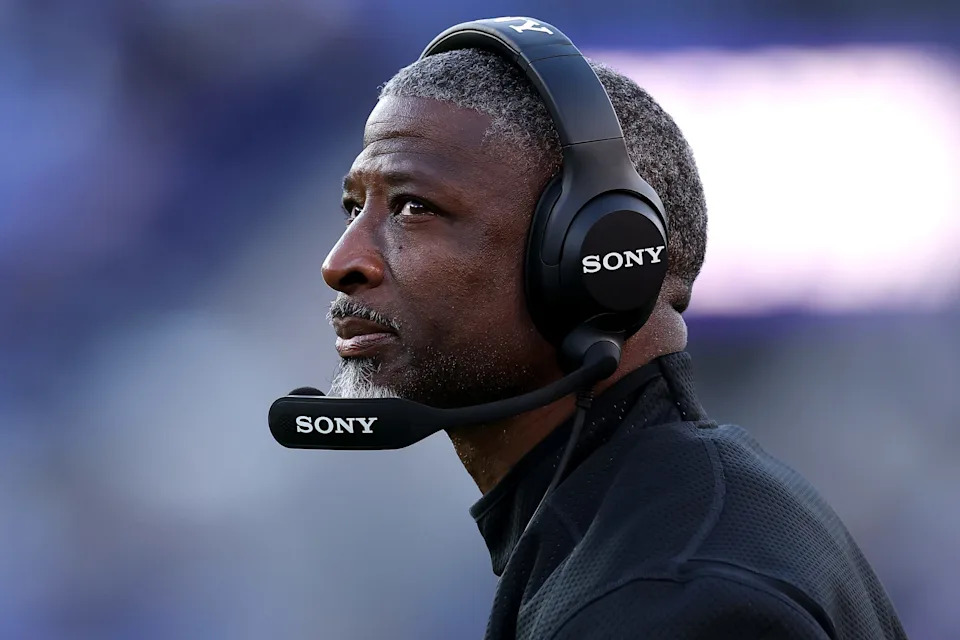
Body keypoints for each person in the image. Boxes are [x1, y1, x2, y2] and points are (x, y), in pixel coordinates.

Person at [319, 19, 908, 640]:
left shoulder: (673, 600)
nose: (340, 262)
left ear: (589, 257)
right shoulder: (657, 529)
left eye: (414, 207)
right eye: (354, 208)